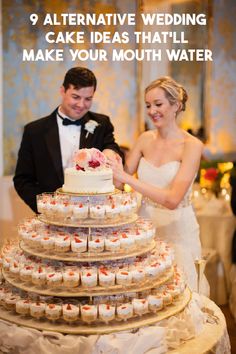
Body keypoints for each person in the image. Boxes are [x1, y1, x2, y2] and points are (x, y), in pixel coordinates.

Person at [108, 76, 209, 294]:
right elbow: (118, 181)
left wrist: (129, 180)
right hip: (144, 230)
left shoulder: (192, 146)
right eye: (148, 105)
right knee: (145, 298)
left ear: (176, 105)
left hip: (178, 232)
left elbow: (173, 200)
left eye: (158, 104)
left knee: (179, 297)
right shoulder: (144, 139)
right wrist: (110, 156)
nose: (152, 110)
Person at [13, 67, 123, 213]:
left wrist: (110, 152)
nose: (81, 105)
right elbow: (23, 180)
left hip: (93, 214)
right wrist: (47, 208)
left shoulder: (102, 123)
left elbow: (111, 146)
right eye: (76, 97)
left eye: (88, 99)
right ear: (62, 91)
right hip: (51, 217)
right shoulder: (34, 131)